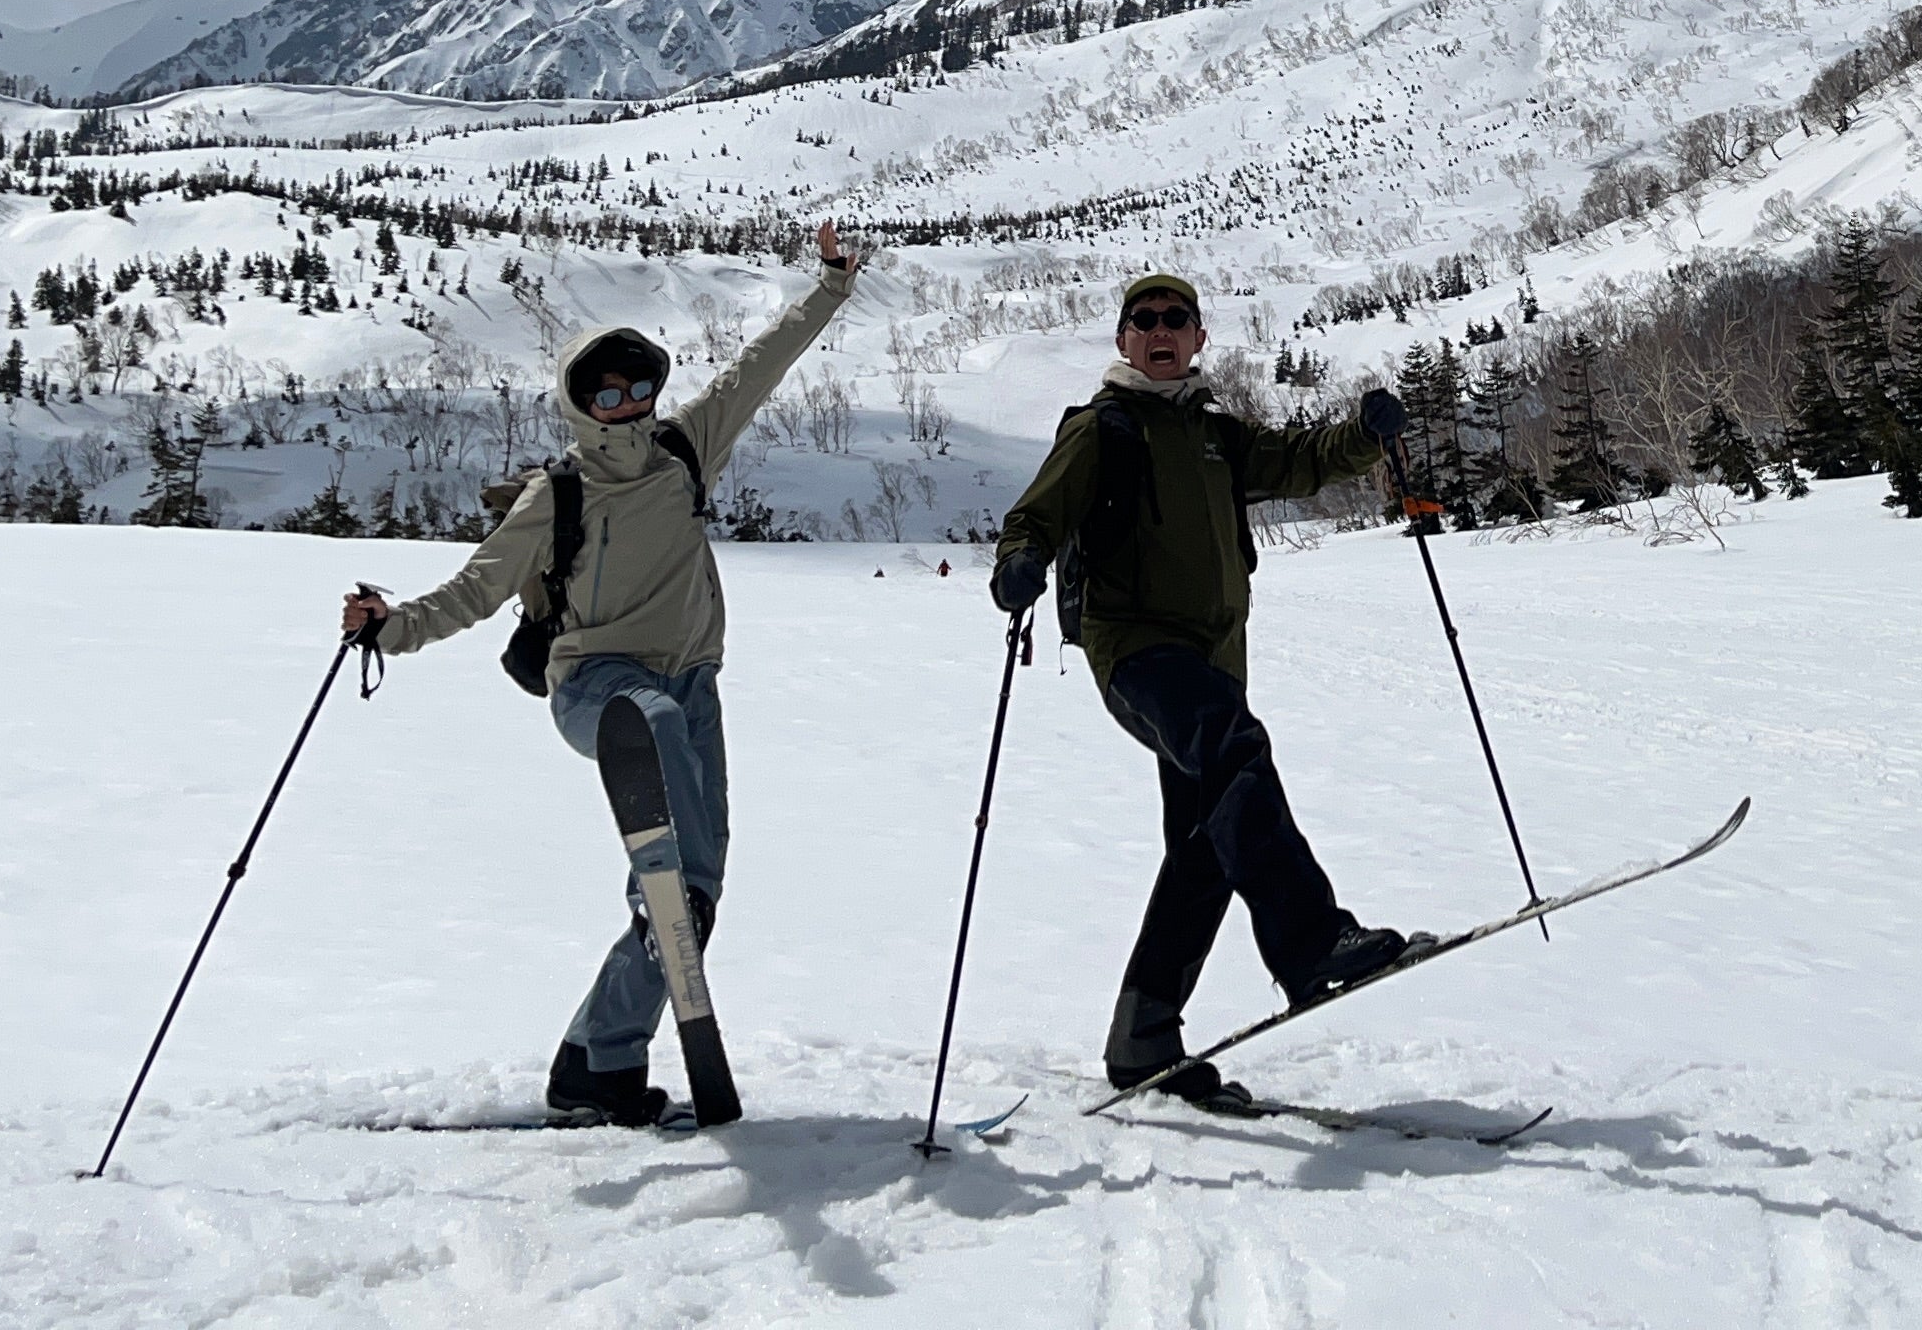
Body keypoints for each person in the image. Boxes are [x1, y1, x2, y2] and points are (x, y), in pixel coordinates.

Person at [339, 222, 862, 1125]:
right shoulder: (558, 495)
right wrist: (391, 630)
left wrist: (829, 286)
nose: (625, 403)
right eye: (605, 392)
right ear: (579, 404)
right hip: (595, 689)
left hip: (693, 687)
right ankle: (648, 886)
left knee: (692, 898)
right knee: (645, 723)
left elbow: (759, 366)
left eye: (639, 387)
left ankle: (597, 1062)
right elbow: (477, 587)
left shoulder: (686, 449)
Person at [991, 271, 1412, 1102]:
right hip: (1137, 654)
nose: (1158, 331)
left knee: (1204, 851)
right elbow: (1034, 514)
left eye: (1174, 319)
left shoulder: (1216, 433)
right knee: (1231, 746)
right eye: (1142, 321)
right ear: (1122, 342)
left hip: (1214, 660)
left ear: (1197, 339)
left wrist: (1364, 435)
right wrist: (1020, 560)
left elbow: (1298, 462)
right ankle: (1311, 941)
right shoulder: (1103, 427)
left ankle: (1143, 1039)